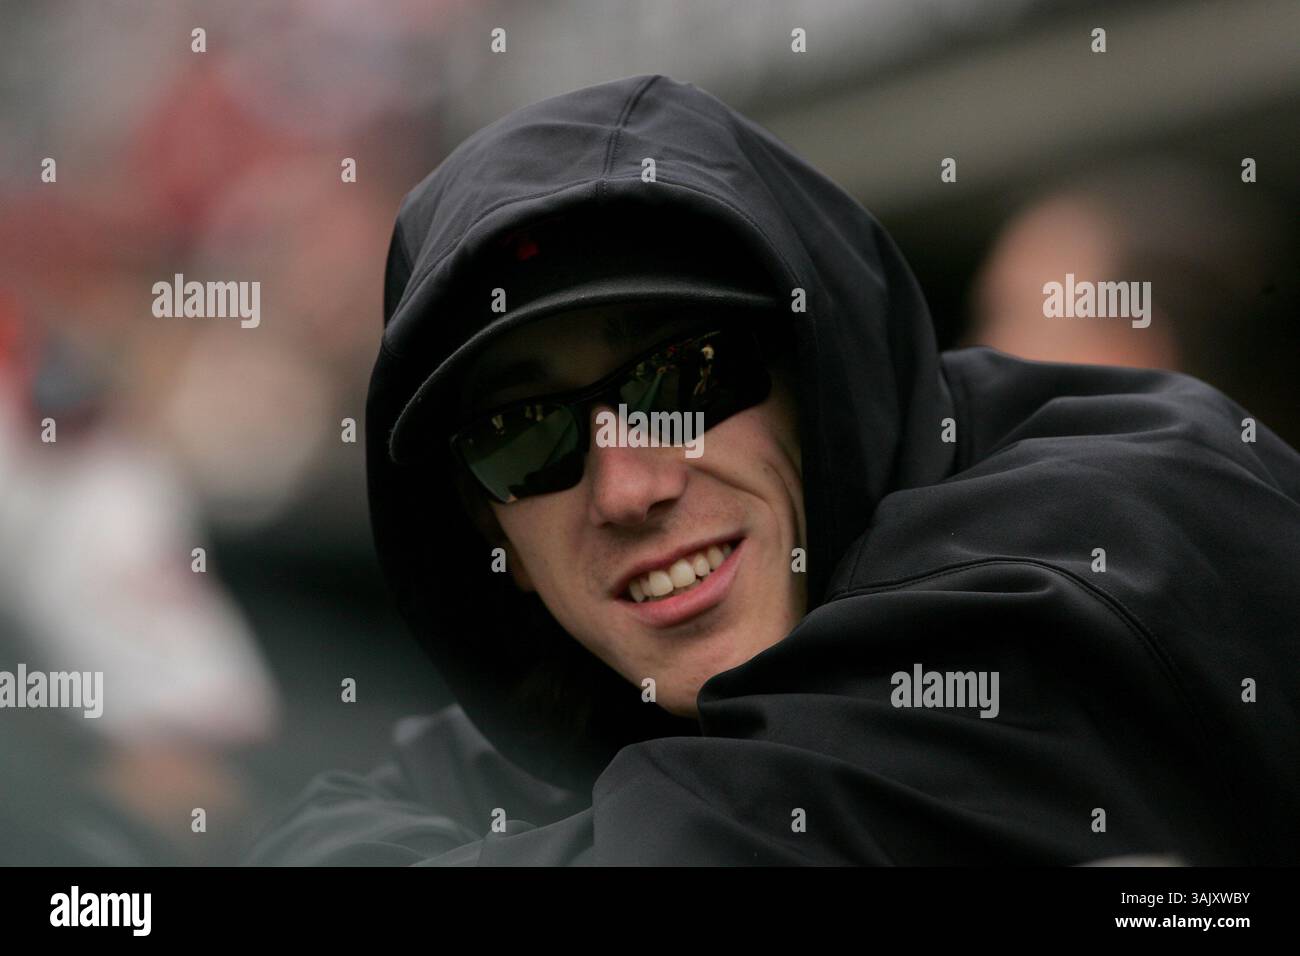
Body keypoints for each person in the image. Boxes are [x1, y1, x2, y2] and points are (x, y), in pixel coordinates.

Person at [246, 74, 1300, 866]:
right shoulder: (583, 711)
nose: (629, 486)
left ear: (816, 375)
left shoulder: (1093, 533)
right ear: (495, 537)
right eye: (524, 434)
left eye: (682, 374)